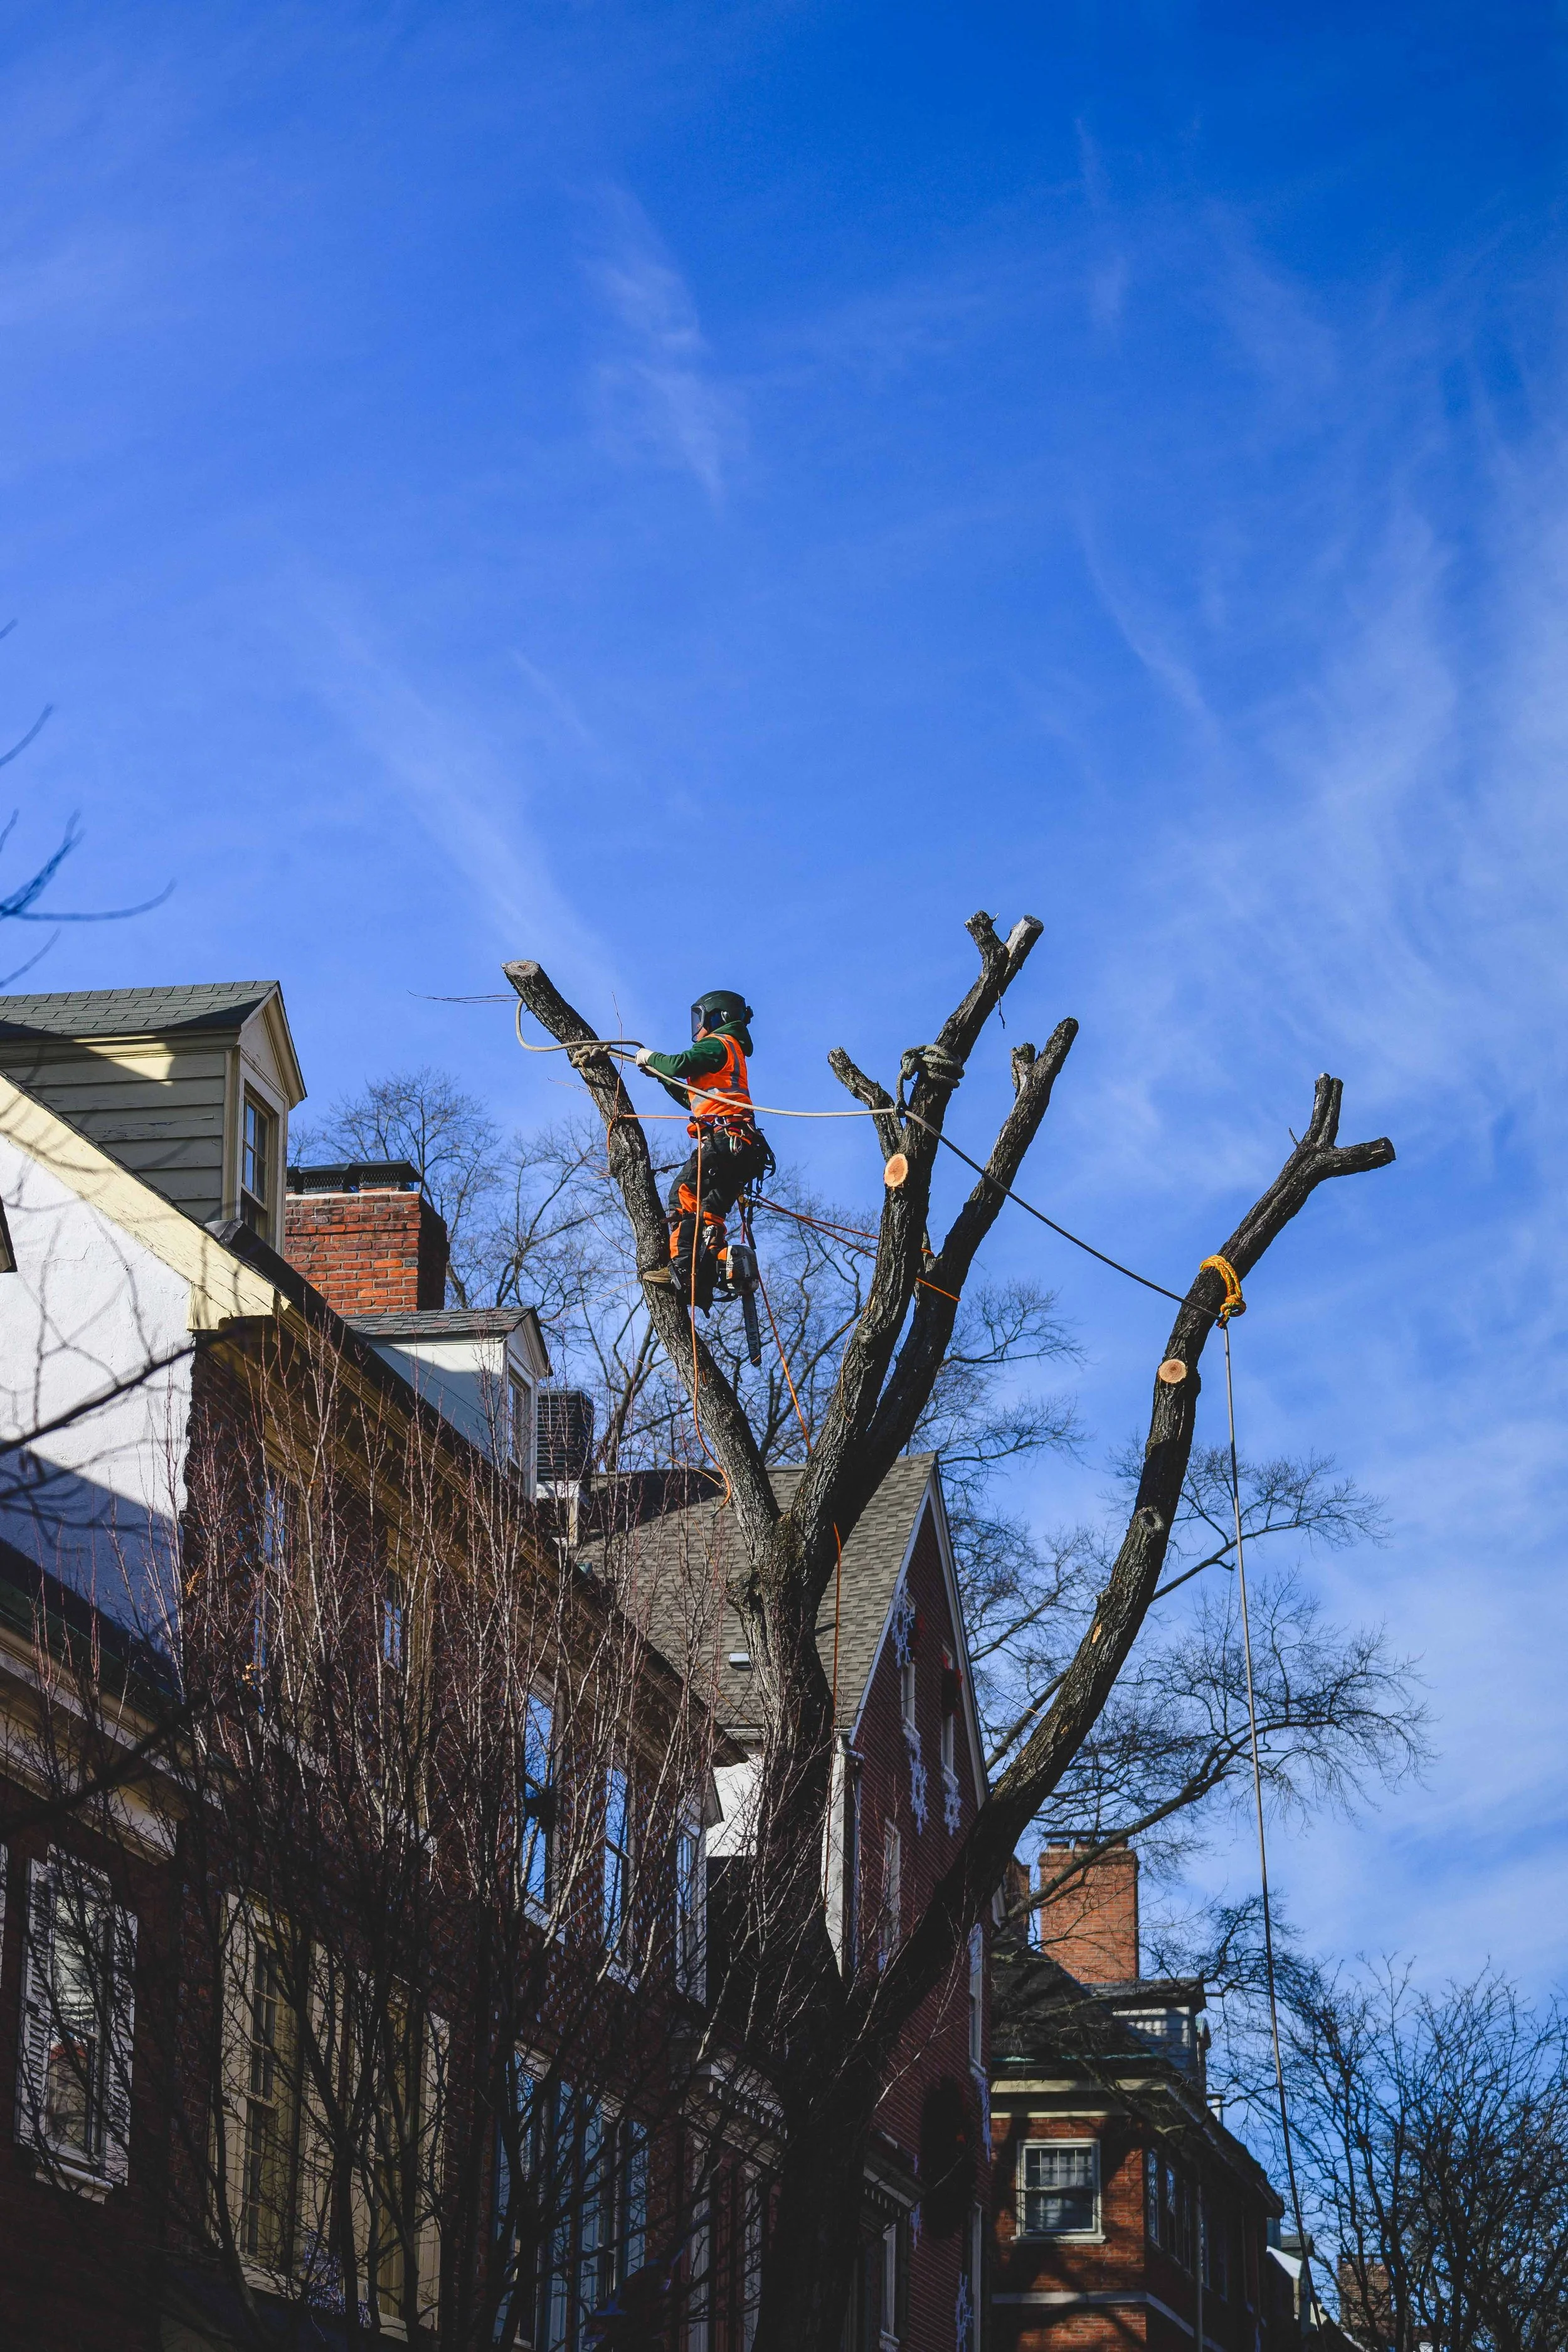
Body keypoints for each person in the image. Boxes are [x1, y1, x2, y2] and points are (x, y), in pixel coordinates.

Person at [635, 989, 772, 1308]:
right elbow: (691, 1095)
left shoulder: (719, 1043)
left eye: (700, 1018)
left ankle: (681, 1269)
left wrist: (653, 1059)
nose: (697, 1027)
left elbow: (680, 1063)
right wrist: (662, 1076)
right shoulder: (728, 1053)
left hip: (725, 1142)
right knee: (708, 1213)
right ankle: (712, 1273)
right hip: (742, 1149)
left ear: (717, 1016)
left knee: (684, 1194)